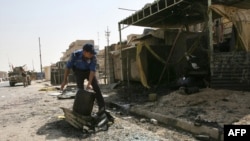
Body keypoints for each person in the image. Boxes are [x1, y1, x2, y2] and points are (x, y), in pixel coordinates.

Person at [61, 44, 105, 112]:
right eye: (90, 53)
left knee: (96, 88)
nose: (92, 55)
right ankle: (80, 110)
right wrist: (65, 80)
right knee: (80, 91)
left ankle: (102, 108)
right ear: (84, 52)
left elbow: (92, 71)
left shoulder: (93, 57)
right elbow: (68, 67)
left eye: (93, 53)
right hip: (78, 72)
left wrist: (89, 83)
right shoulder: (75, 55)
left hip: (88, 71)